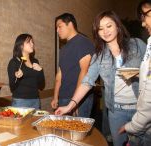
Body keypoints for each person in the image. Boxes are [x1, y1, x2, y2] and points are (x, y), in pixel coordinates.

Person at [55, 10, 146, 146]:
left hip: (141, 108)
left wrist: (141, 73)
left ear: (117, 25)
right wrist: (69, 106)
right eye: (100, 28)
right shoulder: (99, 56)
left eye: (109, 26)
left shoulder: (137, 45)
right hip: (116, 112)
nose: (105, 31)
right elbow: (87, 82)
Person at [118, 1, 151, 145]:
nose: (144, 24)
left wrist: (133, 126)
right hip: (117, 110)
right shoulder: (101, 53)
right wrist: (139, 74)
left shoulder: (139, 44)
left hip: (140, 117)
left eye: (146, 16)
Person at [51, 13, 95, 117]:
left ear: (70, 24)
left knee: (77, 131)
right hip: (63, 97)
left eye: (59, 26)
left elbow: (84, 71)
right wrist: (55, 96)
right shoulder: (63, 49)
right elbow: (59, 75)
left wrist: (75, 102)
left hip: (80, 98)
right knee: (62, 131)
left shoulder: (83, 42)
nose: (57, 31)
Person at [7, 33, 45, 109]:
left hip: (35, 100)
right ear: (21, 45)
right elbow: (12, 87)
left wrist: (41, 71)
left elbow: (41, 86)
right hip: (20, 101)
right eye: (29, 42)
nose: (32, 44)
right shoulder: (14, 62)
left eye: (32, 42)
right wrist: (17, 77)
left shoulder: (35, 61)